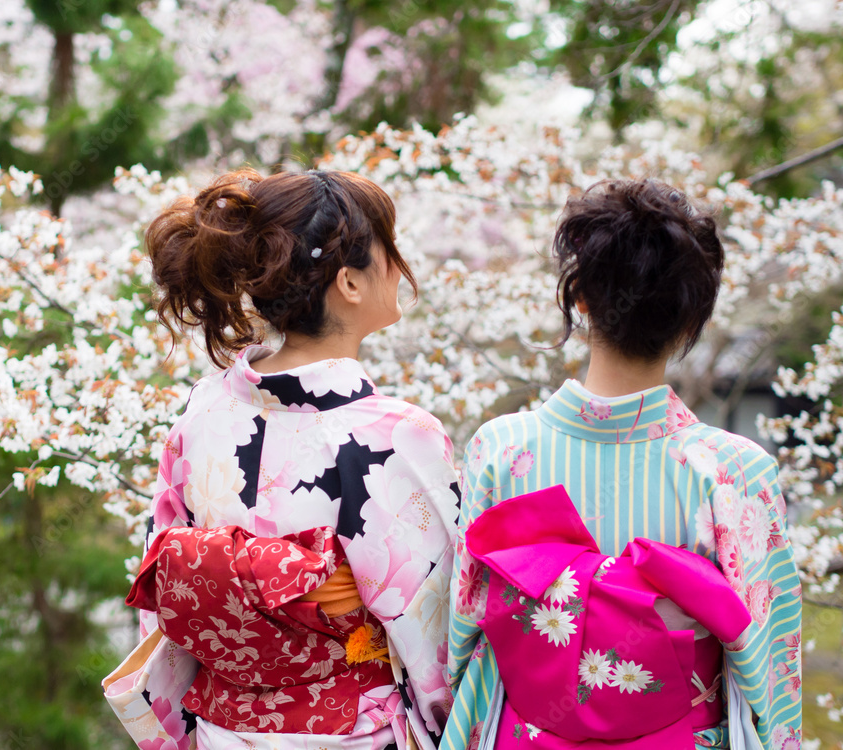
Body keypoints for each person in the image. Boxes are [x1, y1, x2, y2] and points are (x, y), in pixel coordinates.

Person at [104, 168, 461, 750]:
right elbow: (438, 638)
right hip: (355, 732)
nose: (400, 265)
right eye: (389, 248)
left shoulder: (204, 409)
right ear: (349, 282)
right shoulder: (394, 435)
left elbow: (162, 584)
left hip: (220, 729)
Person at [442, 179, 803, 750]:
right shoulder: (734, 472)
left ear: (580, 299)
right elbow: (769, 663)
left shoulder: (502, 450)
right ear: (692, 321)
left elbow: (463, 624)